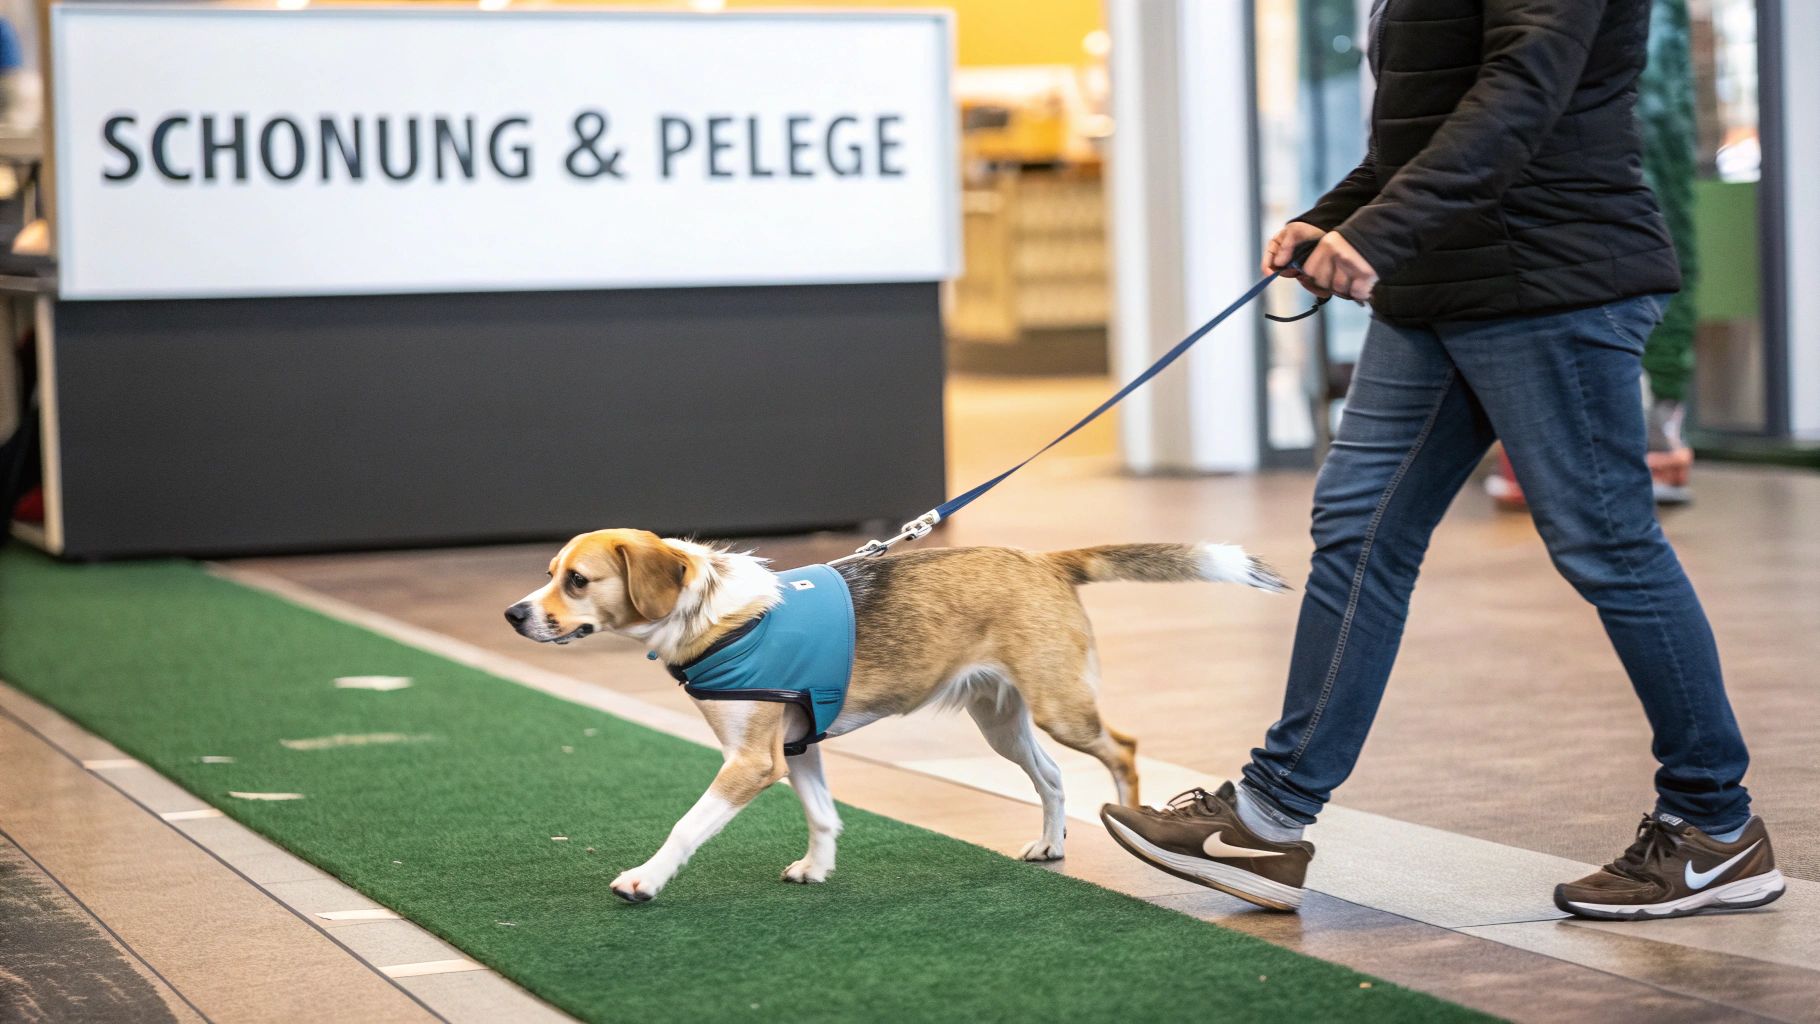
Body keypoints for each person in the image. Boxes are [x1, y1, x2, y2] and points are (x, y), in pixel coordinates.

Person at [1100, 0, 1782, 921]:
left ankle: (1714, 827)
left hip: (1550, 277)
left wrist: (1379, 232)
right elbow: (1424, 124)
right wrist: (1336, 216)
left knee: (1607, 546)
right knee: (1358, 529)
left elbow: (1521, 92)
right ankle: (1268, 817)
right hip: (1441, 288)